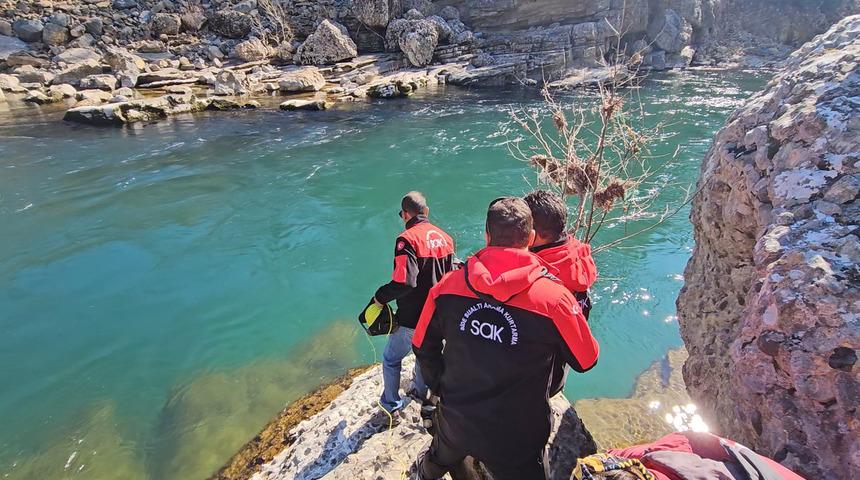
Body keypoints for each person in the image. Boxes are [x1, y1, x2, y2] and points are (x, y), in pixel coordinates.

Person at [412, 197, 599, 480]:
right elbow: (586, 359)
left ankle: (423, 473)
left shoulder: (447, 286)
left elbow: (421, 344)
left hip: (457, 417)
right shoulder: (554, 299)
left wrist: (440, 383)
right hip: (518, 434)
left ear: (486, 234)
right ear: (531, 237)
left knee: (440, 458)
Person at [373, 191, 455, 415]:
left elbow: (405, 282)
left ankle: (391, 406)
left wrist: (379, 297)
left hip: (413, 316)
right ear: (426, 212)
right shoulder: (446, 238)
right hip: (438, 314)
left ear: (405, 214)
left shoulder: (406, 240)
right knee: (424, 353)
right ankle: (419, 393)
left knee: (391, 359)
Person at [523, 189, 598, 396]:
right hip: (558, 368)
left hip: (534, 376)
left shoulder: (539, 271)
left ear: (532, 232)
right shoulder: (577, 253)